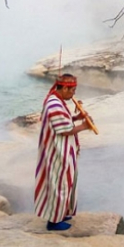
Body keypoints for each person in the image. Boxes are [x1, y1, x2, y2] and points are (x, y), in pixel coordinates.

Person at [34, 73, 94, 231]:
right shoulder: (54, 105)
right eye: (72, 90)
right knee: (60, 184)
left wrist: (77, 117)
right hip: (57, 152)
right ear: (65, 88)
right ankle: (54, 220)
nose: (74, 93)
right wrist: (85, 126)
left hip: (64, 150)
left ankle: (63, 212)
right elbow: (64, 130)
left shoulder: (57, 100)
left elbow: (65, 120)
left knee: (68, 182)